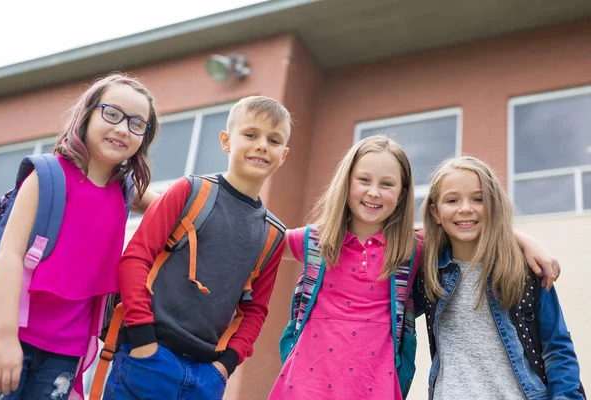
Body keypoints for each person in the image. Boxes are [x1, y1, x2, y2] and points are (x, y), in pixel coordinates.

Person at [270, 136, 563, 400]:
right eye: (364, 180)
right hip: (305, 384)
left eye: (386, 184)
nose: (374, 192)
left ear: (401, 194)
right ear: (346, 182)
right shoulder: (315, 241)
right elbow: (259, 242)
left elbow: (462, 225)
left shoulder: (411, 248)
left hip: (377, 387)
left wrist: (521, 239)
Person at [103, 95, 291, 400]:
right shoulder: (189, 191)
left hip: (206, 378)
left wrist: (225, 366)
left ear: (284, 155)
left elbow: (255, 311)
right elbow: (135, 258)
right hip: (147, 359)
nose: (262, 146)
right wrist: (142, 339)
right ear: (226, 141)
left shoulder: (272, 233)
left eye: (274, 140)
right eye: (251, 135)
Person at [0, 73, 159, 399]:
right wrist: (3, 337)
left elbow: (178, 208)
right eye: (112, 114)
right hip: (11, 339)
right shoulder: (47, 176)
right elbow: (9, 257)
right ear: (88, 114)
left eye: (137, 124)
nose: (123, 128)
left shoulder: (124, 192)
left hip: (66, 354)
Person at [419, 156, 583, 399]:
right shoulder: (427, 272)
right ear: (435, 212)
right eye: (452, 200)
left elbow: (557, 351)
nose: (465, 208)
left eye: (478, 199)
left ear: (494, 205)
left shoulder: (526, 270)